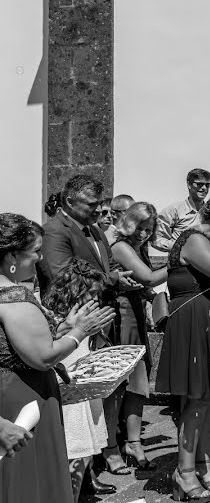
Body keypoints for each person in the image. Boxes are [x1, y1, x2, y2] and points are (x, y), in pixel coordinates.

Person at [0, 213, 115, 503]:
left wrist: (61, 328)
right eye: (35, 251)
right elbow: (43, 357)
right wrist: (78, 332)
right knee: (31, 481)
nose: (40, 259)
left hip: (13, 391)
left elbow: (15, 344)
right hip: (24, 397)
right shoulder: (12, 297)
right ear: (12, 254)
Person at [155, 196, 210, 501]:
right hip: (195, 320)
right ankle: (184, 471)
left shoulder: (208, 240)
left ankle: (203, 463)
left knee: (209, 399)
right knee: (196, 401)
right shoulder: (193, 240)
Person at [101, 202, 166, 474]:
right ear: (129, 222)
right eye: (140, 227)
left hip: (136, 314)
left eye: (149, 229)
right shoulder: (120, 246)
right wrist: (181, 261)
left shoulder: (138, 247)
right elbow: (149, 277)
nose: (144, 234)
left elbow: (144, 285)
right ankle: (111, 446)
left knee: (139, 383)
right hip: (120, 317)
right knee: (118, 384)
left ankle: (134, 442)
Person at [41, 260, 112, 501]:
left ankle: (77, 490)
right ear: (75, 289)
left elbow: (92, 347)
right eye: (92, 292)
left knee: (85, 450)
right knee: (73, 447)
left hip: (85, 384)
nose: (95, 297)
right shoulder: (53, 314)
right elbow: (49, 344)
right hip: (68, 385)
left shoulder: (88, 314)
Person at [36, 175, 141, 298]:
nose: (99, 209)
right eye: (92, 204)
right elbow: (62, 278)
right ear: (70, 202)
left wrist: (123, 276)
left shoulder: (96, 231)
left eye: (100, 203)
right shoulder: (54, 231)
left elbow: (109, 265)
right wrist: (113, 279)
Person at [154, 168, 210, 253]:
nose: (204, 188)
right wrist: (181, 247)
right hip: (181, 264)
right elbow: (156, 238)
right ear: (189, 185)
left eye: (207, 185)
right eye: (199, 184)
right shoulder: (173, 211)